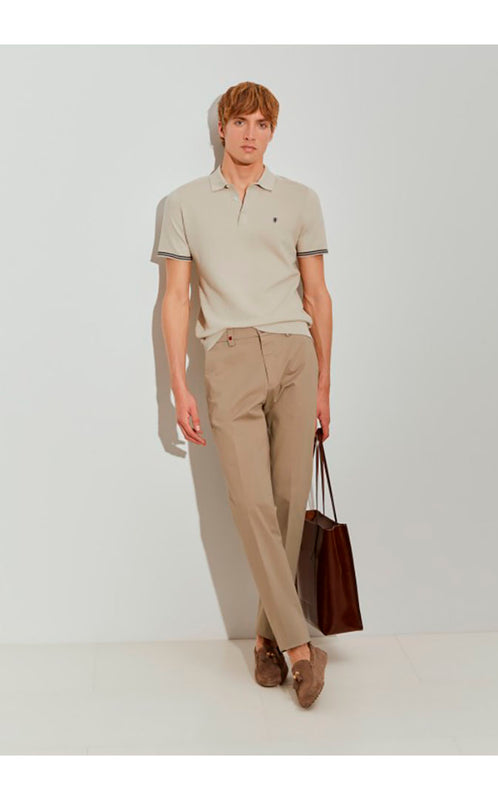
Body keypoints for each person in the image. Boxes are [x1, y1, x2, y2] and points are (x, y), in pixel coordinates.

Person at [157, 81, 332, 708]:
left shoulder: (301, 199)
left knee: (287, 500)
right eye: (240, 122)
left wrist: (325, 383)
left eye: (262, 124)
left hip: (294, 354)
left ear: (272, 132)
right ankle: (300, 648)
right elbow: (175, 298)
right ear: (222, 128)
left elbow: (317, 294)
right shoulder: (182, 203)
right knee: (250, 501)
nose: (250, 134)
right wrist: (178, 383)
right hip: (228, 356)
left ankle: (265, 638)